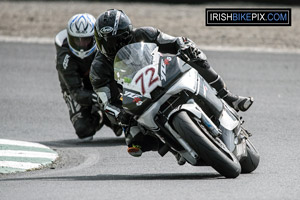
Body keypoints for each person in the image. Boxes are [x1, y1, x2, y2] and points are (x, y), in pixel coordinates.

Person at [90, 9, 253, 157]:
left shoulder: (145, 33)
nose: (114, 47)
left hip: (160, 75)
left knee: (194, 54)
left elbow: (174, 41)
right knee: (135, 141)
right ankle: (174, 146)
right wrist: (119, 113)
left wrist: (184, 45)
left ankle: (227, 96)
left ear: (128, 33)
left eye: (119, 41)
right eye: (107, 44)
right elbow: (106, 102)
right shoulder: (98, 68)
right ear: (98, 42)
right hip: (134, 99)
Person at [55, 13, 122, 141]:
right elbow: (76, 93)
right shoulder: (64, 58)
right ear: (69, 38)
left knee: (120, 119)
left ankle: (115, 120)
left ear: (94, 38)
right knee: (83, 130)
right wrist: (101, 99)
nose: (81, 45)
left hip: (103, 81)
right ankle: (100, 117)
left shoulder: (104, 46)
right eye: (77, 40)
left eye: (86, 40)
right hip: (75, 88)